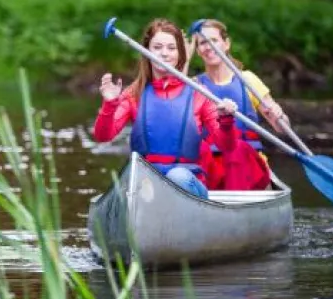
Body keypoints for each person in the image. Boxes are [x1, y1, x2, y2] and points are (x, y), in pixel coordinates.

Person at [93, 18, 240, 200]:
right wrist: (109, 104)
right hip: (146, 184)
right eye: (158, 47)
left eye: (171, 48)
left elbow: (228, 146)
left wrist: (226, 121)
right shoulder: (134, 93)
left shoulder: (199, 93)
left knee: (176, 177)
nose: (164, 53)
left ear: (180, 54)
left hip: (187, 181)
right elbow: (102, 136)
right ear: (147, 51)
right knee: (132, 179)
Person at [191, 19, 289, 191]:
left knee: (237, 153)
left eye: (214, 41)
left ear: (226, 44)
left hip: (248, 164)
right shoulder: (194, 84)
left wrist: (279, 116)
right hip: (211, 166)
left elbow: (281, 128)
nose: (209, 47)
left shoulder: (248, 80)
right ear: (198, 50)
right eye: (203, 43)